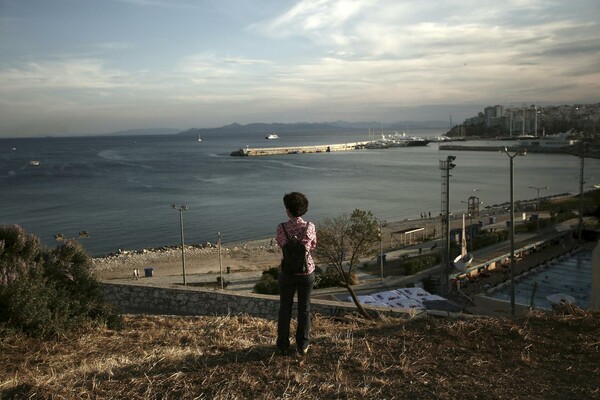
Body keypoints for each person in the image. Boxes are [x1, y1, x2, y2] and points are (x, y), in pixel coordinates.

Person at [275, 192, 317, 356]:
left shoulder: (281, 227)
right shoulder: (310, 227)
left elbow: (281, 245)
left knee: (285, 309)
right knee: (304, 309)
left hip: (287, 272)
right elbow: (312, 246)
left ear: (288, 210)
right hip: (306, 271)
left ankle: (283, 345)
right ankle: (302, 345)